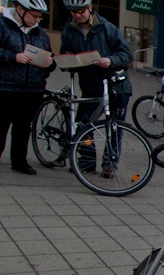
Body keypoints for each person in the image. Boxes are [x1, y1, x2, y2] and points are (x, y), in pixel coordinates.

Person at [0, 0, 54, 177]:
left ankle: (19, 161)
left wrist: (49, 64)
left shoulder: (40, 34)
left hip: (32, 88)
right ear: (20, 9)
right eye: (34, 15)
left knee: (23, 126)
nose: (37, 20)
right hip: (3, 85)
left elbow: (50, 58)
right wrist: (13, 57)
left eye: (40, 17)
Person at [61, 0, 132, 177]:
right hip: (91, 86)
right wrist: (68, 57)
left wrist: (110, 61)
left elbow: (126, 54)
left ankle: (110, 164)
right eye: (73, 12)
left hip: (116, 86)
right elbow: (65, 50)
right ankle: (86, 162)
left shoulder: (107, 28)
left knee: (113, 127)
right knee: (82, 125)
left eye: (81, 11)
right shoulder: (69, 29)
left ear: (90, 8)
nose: (77, 15)